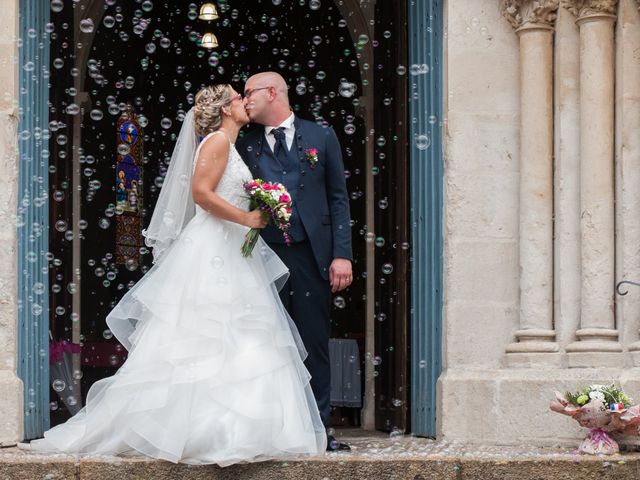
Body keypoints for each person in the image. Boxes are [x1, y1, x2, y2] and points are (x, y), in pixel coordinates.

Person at [24, 85, 327, 465]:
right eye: (237, 97)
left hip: (231, 251)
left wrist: (261, 206)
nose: (244, 101)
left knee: (240, 337)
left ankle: (232, 428)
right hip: (213, 252)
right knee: (207, 336)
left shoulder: (228, 145)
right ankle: (196, 428)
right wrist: (249, 217)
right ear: (225, 110)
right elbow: (201, 194)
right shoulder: (216, 142)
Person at [236, 72, 353, 451]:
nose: (244, 98)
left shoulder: (321, 136)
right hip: (262, 257)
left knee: (313, 343)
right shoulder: (244, 143)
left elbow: (338, 199)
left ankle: (319, 432)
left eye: (249, 92)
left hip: (311, 256)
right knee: (263, 344)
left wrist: (341, 255)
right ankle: (269, 431)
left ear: (272, 93)